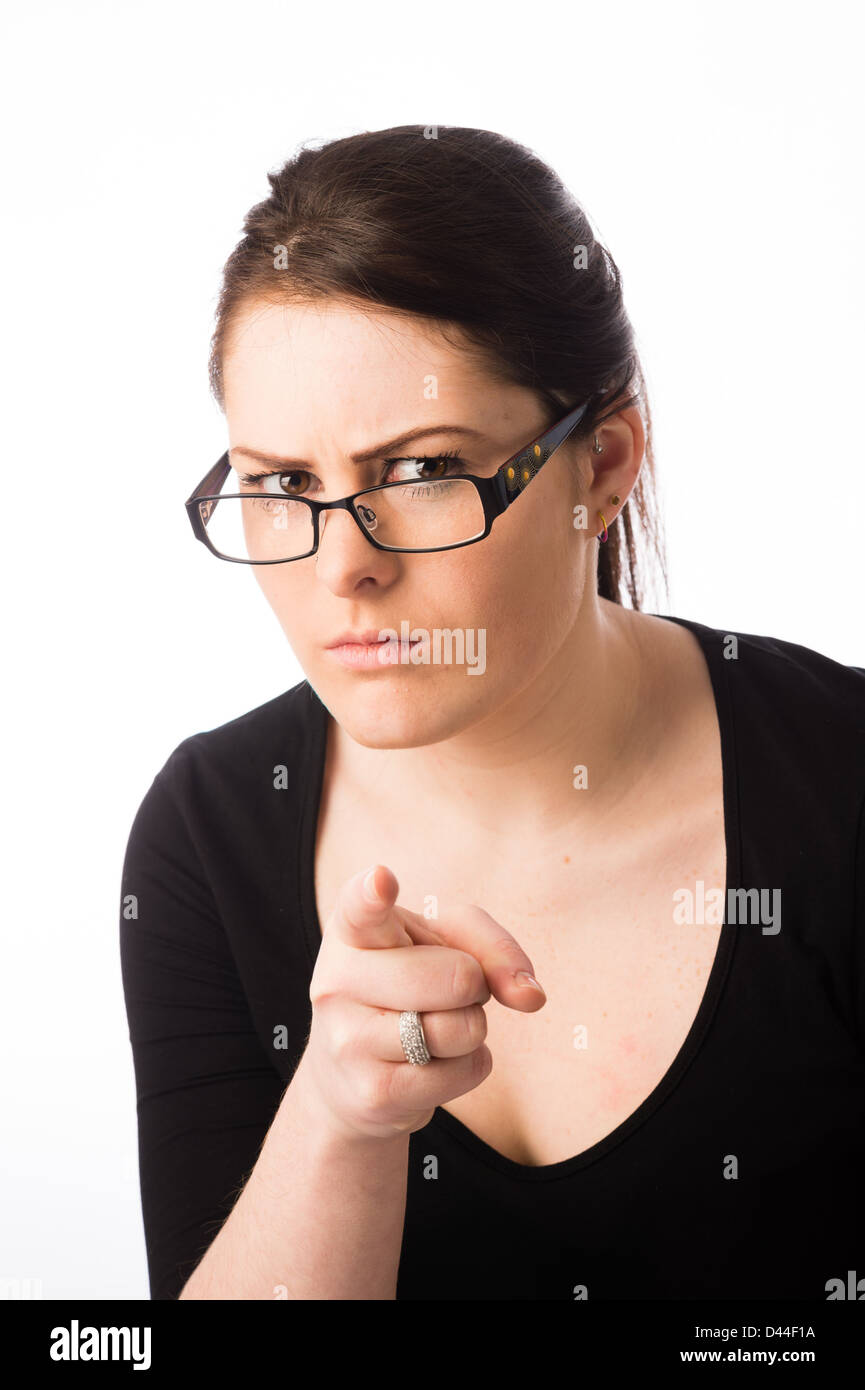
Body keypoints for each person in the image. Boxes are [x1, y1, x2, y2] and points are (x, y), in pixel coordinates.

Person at [119, 125, 865, 1301]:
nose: (343, 570)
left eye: (419, 470)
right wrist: (337, 1120)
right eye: (282, 485)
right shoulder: (209, 831)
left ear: (603, 463)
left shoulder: (840, 780)